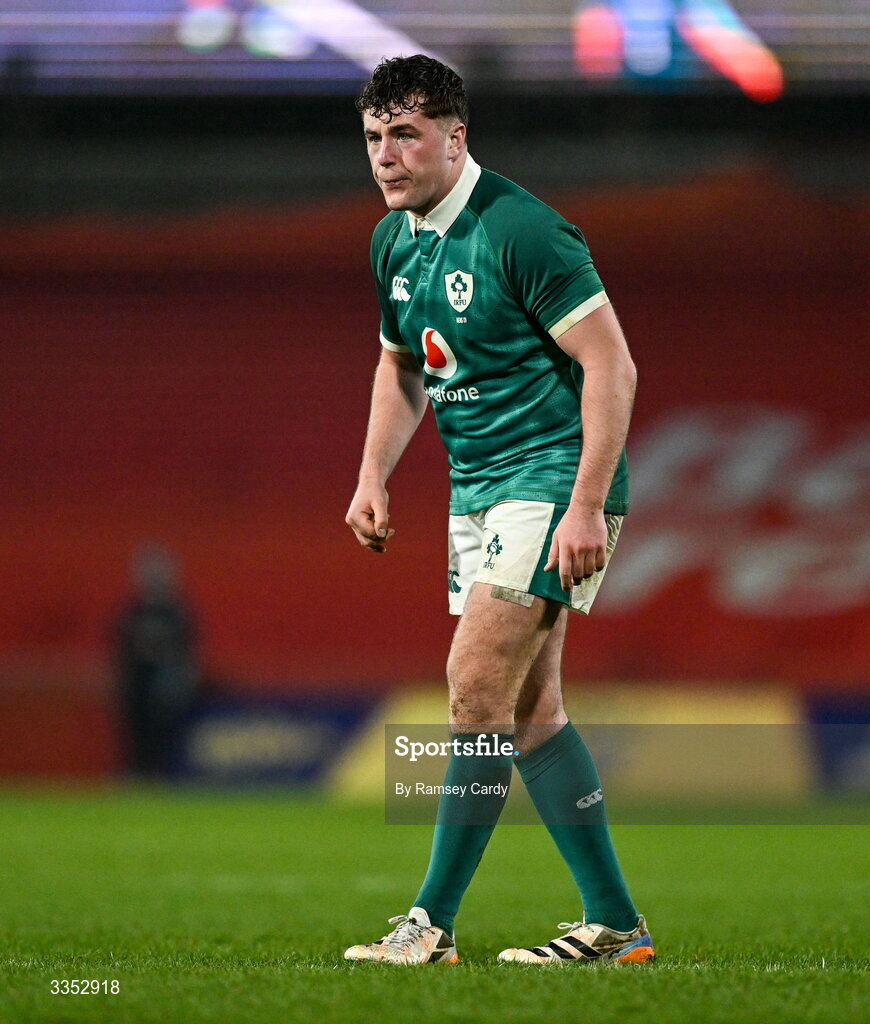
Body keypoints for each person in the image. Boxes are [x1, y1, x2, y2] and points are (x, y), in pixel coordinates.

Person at [344, 55, 653, 966]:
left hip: (551, 482)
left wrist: (585, 505)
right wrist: (372, 476)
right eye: (374, 137)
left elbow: (612, 364)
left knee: (474, 687)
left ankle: (429, 925)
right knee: (530, 712)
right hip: (477, 491)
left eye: (406, 135)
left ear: (456, 138)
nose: (387, 156)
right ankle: (616, 926)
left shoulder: (522, 228)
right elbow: (402, 364)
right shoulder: (393, 242)